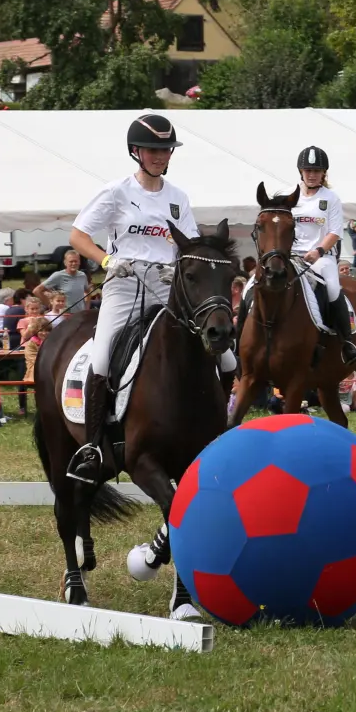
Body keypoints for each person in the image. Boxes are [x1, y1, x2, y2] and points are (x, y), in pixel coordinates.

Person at [66, 114, 238, 478]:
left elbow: (189, 246)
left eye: (166, 150)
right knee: (102, 355)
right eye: (154, 150)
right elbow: (78, 236)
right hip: (125, 283)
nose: (161, 156)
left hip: (167, 285)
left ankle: (220, 431)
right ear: (136, 152)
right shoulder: (116, 192)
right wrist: (109, 260)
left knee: (226, 359)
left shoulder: (178, 198)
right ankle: (93, 445)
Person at [287, 146, 356, 365]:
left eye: (316, 170)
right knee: (255, 281)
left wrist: (318, 251)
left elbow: (335, 232)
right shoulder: (287, 195)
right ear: (301, 171)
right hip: (290, 256)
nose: (311, 174)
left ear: (323, 173)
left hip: (320, 257)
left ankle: (346, 341)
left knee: (332, 287)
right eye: (308, 170)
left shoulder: (331, 198)